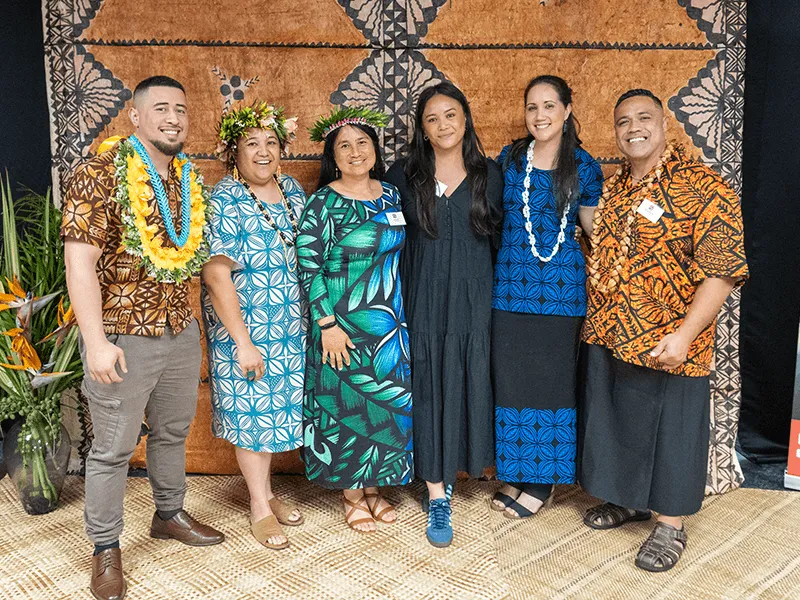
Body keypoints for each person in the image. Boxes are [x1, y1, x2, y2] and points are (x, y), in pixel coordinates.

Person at [61, 75, 224, 600]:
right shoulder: (100, 172)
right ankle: (105, 549)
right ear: (135, 116)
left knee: (172, 432)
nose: (173, 118)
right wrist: (95, 341)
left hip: (180, 330)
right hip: (121, 335)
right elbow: (79, 262)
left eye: (180, 108)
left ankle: (169, 514)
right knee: (112, 449)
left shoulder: (186, 177)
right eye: (160, 108)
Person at [579, 89, 748, 572]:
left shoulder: (703, 186)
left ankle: (671, 524)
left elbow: (723, 270)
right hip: (612, 331)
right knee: (621, 421)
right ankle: (629, 499)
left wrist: (687, 334)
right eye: (623, 121)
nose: (633, 128)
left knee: (672, 430)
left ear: (665, 125)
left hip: (671, 337)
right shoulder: (613, 188)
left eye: (644, 118)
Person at [385, 82, 503, 547]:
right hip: (423, 298)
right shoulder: (402, 175)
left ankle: (456, 466)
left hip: (476, 300)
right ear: (421, 128)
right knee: (429, 383)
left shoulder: (489, 174)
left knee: (467, 377)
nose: (442, 125)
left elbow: (504, 238)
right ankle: (436, 492)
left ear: (466, 119)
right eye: (431, 118)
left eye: (450, 115)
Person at [491, 75, 603, 519]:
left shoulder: (585, 166)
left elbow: (594, 229)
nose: (540, 116)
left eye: (549, 106)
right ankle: (517, 470)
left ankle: (542, 479)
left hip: (561, 294)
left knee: (550, 384)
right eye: (532, 107)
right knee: (513, 381)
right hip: (508, 288)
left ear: (567, 110)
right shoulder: (511, 157)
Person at [297, 107, 413, 533]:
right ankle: (351, 492)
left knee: (383, 402)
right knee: (347, 405)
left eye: (362, 142)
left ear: (375, 149)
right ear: (333, 155)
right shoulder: (322, 203)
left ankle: (375, 487)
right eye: (343, 145)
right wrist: (327, 325)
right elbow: (309, 268)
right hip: (340, 325)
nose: (354, 151)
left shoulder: (391, 196)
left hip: (387, 324)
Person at [201, 102, 305, 550]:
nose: (263, 152)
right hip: (246, 330)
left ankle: (267, 493)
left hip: (291, 327)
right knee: (252, 418)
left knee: (277, 415)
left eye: (271, 143)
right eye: (251, 143)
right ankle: (259, 508)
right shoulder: (224, 198)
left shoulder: (294, 191)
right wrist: (242, 342)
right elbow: (216, 274)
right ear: (233, 152)